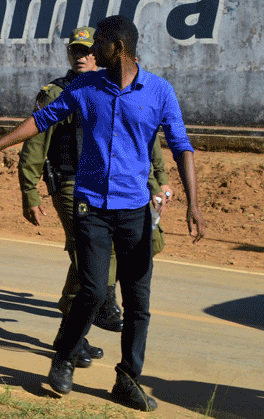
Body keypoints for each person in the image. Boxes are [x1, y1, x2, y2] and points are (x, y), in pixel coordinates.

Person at [0, 15, 204, 411]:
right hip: (91, 208)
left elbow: (181, 145)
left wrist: (193, 203)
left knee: (138, 302)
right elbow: (40, 121)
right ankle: (64, 356)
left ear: (117, 47)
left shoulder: (158, 91)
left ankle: (127, 378)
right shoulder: (85, 87)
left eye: (99, 43)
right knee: (91, 290)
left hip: (135, 211)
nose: (91, 51)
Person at [17, 27, 174, 367]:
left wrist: (158, 181)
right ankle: (75, 331)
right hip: (75, 186)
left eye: (90, 50)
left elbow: (147, 141)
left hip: (120, 189)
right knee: (87, 262)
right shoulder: (61, 91)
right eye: (76, 51)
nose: (83, 56)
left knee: (123, 256)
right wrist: (30, 192)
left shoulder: (130, 89)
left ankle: (88, 317)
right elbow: (35, 142)